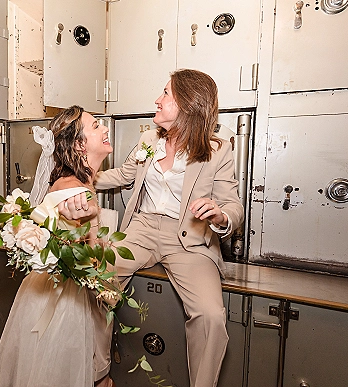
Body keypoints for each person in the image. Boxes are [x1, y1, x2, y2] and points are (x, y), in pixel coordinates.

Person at [94, 69, 245, 387]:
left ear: (187, 106)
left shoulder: (219, 150)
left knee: (211, 317)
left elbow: (234, 207)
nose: (157, 100)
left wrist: (219, 215)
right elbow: (123, 175)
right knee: (97, 286)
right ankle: (99, 374)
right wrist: (78, 177)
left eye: (166, 94)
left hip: (189, 239)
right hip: (142, 229)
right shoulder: (149, 140)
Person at [0, 106, 117, 387]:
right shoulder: (73, 189)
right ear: (80, 144)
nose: (105, 128)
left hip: (54, 291)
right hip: (64, 301)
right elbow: (78, 220)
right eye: (96, 126)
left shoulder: (81, 181)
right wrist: (88, 215)